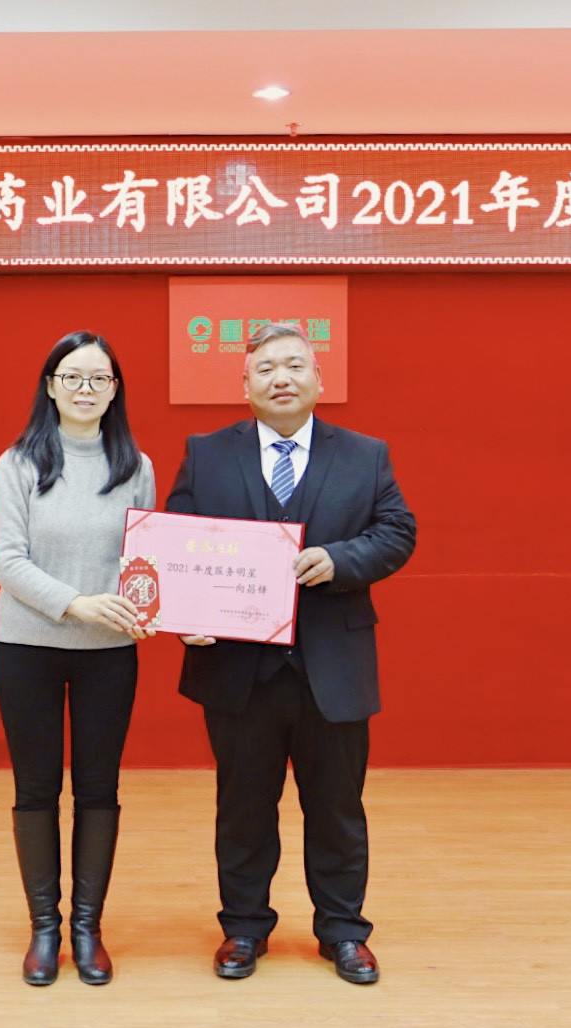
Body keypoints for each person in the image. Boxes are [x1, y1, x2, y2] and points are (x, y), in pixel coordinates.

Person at [165, 321, 415, 985]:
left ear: (319, 379)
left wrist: (340, 560)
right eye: (266, 368)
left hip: (332, 667)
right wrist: (183, 614)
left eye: (295, 365)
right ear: (245, 384)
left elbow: (397, 531)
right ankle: (244, 927)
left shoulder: (365, 455)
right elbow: (177, 543)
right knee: (243, 808)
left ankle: (344, 931)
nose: (281, 377)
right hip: (237, 668)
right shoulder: (207, 453)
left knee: (337, 808)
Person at [0, 330, 155, 987]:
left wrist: (156, 608)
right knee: (35, 788)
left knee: (98, 787)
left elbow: (146, 561)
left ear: (115, 390)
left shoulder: (135, 465)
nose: (86, 389)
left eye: (99, 378)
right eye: (72, 377)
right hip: (27, 645)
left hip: (109, 652)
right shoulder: (18, 463)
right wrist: (76, 604)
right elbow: (7, 561)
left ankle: (88, 926)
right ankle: (44, 928)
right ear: (50, 386)